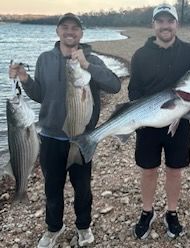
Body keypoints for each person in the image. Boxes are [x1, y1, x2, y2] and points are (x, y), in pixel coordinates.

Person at [9, 13, 121, 247]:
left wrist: (87, 65)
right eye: (65, 27)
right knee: (52, 187)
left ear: (81, 34)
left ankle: (83, 226)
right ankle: (53, 228)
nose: (70, 32)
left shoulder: (92, 59)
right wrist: (24, 79)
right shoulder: (44, 59)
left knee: (82, 187)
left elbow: (114, 85)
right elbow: (40, 95)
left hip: (81, 137)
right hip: (49, 136)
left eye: (75, 28)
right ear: (58, 31)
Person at [128, 3, 190, 239]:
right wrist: (143, 114)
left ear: (177, 24)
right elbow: (133, 91)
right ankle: (147, 212)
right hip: (148, 123)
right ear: (153, 25)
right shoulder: (140, 55)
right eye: (161, 21)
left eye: (170, 21)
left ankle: (172, 212)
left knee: (174, 170)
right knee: (148, 170)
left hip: (181, 120)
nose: (165, 26)